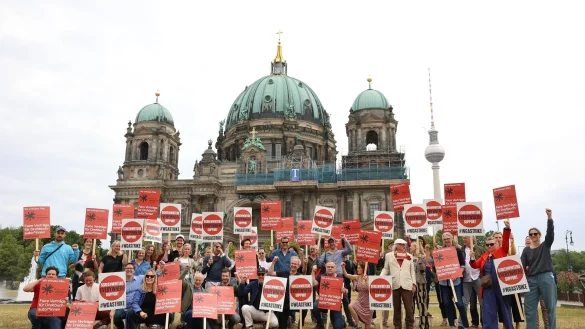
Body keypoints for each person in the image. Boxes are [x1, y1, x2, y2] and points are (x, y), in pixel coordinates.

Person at [469, 219, 512, 329]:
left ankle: (508, 326)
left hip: (501, 285)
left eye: (492, 244)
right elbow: (475, 266)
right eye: (487, 245)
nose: (489, 246)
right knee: (488, 309)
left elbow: (506, 242)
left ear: (497, 244)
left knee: (505, 308)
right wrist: (472, 259)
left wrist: (507, 228)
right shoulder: (484, 256)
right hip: (488, 286)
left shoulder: (502, 251)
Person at [521, 209, 557, 329]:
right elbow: (521, 266)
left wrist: (549, 218)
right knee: (529, 309)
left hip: (546, 277)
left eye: (535, 233)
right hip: (531, 280)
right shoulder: (526, 250)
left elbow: (550, 234)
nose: (533, 236)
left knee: (550, 307)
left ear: (539, 235)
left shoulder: (545, 245)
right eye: (531, 234)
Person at [380, 238, 416, 329]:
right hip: (394, 283)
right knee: (396, 308)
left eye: (404, 245)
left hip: (407, 284)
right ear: (396, 245)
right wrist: (380, 277)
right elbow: (386, 269)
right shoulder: (388, 256)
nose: (404, 246)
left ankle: (409, 325)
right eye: (401, 244)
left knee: (409, 308)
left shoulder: (409, 256)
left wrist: (414, 284)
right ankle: (397, 325)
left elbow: (412, 271)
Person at [435, 233, 469, 329]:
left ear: (452, 238)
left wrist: (457, 274)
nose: (446, 240)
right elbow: (437, 266)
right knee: (447, 303)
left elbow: (463, 265)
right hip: (443, 282)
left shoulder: (457, 250)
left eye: (448, 238)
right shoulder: (439, 251)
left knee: (459, 303)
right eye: (444, 239)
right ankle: (451, 325)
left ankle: (465, 325)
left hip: (456, 281)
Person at [268, 256, 302, 329]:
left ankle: (300, 325)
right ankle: (286, 322)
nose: (293, 265)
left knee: (305, 308)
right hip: (285, 302)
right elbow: (270, 273)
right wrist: (273, 262)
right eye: (292, 263)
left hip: (296, 302)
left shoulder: (300, 276)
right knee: (282, 325)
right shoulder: (284, 273)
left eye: (295, 264)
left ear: (298, 266)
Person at [311, 261, 347, 329]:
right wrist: (313, 272)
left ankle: (342, 319)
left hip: (335, 304)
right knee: (315, 306)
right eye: (328, 267)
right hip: (323, 302)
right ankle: (320, 324)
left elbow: (346, 290)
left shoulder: (339, 277)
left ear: (335, 268)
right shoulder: (321, 276)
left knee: (338, 327)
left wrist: (344, 290)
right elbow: (314, 284)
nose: (330, 268)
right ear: (325, 268)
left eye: (332, 267)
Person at [112, 263, 145, 329]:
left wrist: (159, 269)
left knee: (131, 317)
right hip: (123, 307)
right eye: (127, 268)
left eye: (131, 268)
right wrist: (112, 310)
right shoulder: (119, 281)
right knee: (116, 318)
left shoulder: (140, 278)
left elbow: (152, 275)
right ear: (125, 270)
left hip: (134, 307)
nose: (129, 270)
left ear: (134, 270)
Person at [341, 261, 373, 329]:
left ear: (364, 269)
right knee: (350, 305)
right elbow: (346, 275)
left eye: (359, 268)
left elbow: (371, 290)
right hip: (359, 301)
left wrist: (366, 280)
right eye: (357, 268)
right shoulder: (357, 277)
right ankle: (358, 324)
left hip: (368, 303)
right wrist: (343, 268)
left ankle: (370, 326)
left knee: (368, 326)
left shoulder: (370, 279)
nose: (357, 269)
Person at [462, 236, 481, 329]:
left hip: (478, 277)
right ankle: (473, 323)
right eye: (463, 238)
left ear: (472, 238)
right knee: (470, 304)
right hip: (466, 279)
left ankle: (485, 322)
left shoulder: (480, 249)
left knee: (483, 302)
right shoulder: (461, 250)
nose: (464, 240)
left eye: (466, 238)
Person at [411, 239, 429, 329]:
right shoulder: (409, 257)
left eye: (412, 246)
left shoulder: (423, 257)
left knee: (421, 304)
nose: (410, 247)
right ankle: (410, 324)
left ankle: (423, 324)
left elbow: (423, 270)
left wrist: (420, 261)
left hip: (420, 282)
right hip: (410, 283)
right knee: (410, 305)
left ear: (416, 247)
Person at [342, 255, 358, 328]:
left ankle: (350, 321)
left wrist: (354, 285)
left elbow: (353, 275)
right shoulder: (336, 261)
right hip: (337, 285)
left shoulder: (350, 263)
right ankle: (337, 319)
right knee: (336, 304)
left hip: (347, 287)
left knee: (347, 304)